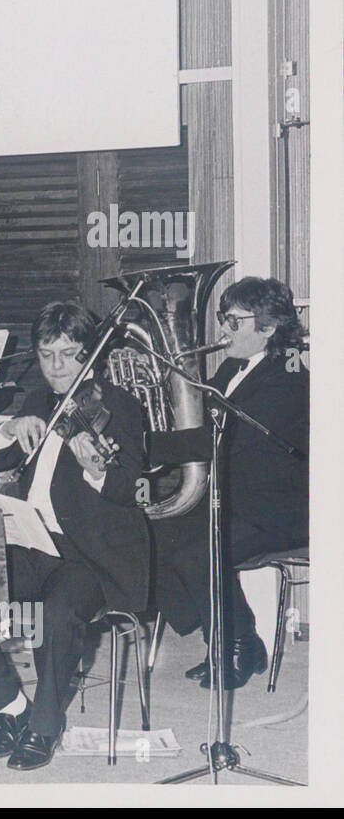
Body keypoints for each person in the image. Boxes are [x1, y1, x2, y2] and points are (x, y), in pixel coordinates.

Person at [0, 301, 150, 770]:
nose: (57, 367)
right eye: (47, 355)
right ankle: (10, 709)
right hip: (28, 541)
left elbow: (132, 489)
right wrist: (10, 428)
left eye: (68, 354)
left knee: (56, 613)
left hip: (87, 553)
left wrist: (96, 472)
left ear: (91, 356)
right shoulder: (39, 400)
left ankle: (45, 727)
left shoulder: (120, 406)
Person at [150, 276, 308, 690]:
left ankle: (240, 643)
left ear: (268, 327)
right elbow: (199, 421)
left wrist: (150, 445)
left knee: (200, 554)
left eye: (233, 321)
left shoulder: (289, 377)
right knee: (156, 534)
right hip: (232, 500)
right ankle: (220, 636)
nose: (223, 330)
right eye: (224, 319)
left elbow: (222, 438)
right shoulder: (232, 367)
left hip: (277, 512)